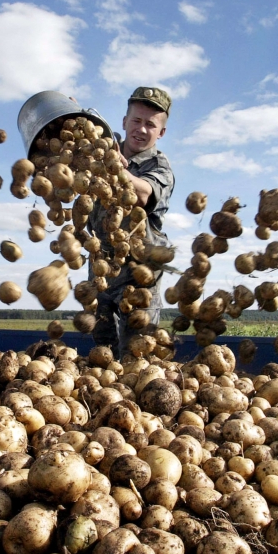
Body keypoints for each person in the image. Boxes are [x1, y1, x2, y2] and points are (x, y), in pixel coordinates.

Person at [88, 86, 175, 358]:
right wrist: (69, 118)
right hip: (101, 269)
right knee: (101, 352)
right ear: (124, 122)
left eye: (151, 124)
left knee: (137, 355)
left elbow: (142, 194)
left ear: (161, 132)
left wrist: (115, 166)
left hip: (140, 276)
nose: (142, 129)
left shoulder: (160, 168)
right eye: (136, 120)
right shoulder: (104, 144)